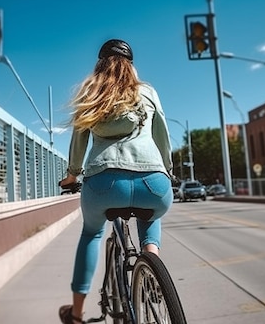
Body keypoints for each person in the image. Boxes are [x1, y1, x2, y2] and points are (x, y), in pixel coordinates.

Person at [58, 39, 174, 324]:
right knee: (150, 215)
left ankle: (76, 314)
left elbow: (79, 141)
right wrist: (166, 170)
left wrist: (73, 175)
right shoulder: (147, 92)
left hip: (103, 184)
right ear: (131, 66)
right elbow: (161, 133)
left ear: (100, 64)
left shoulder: (92, 92)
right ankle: (151, 268)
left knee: (92, 234)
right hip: (153, 182)